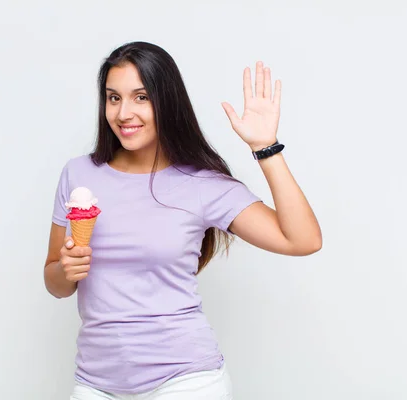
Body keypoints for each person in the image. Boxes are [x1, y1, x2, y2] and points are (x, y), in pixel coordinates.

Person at [43, 41, 322, 400]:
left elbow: (303, 240)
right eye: (114, 98)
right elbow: (55, 283)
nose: (124, 112)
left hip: (185, 381)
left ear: (167, 101)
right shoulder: (78, 173)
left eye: (141, 97)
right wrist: (66, 270)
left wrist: (265, 147)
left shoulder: (202, 184)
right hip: (96, 384)